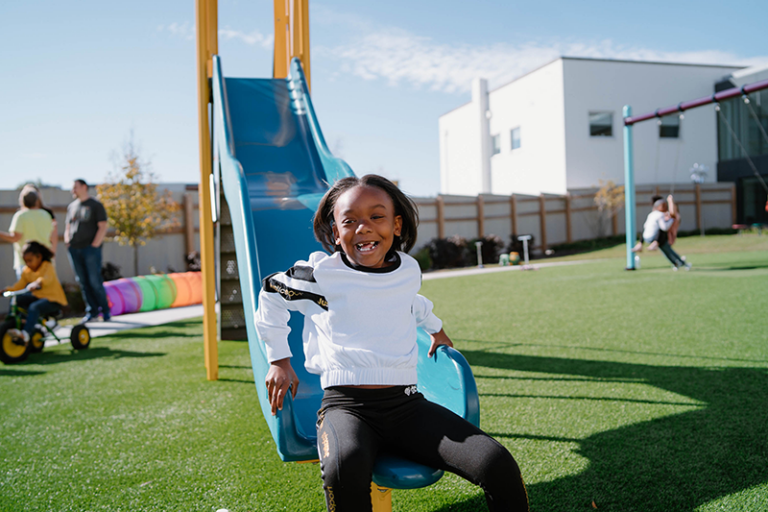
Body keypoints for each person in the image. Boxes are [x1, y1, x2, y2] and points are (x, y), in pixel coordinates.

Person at [256, 175, 529, 512]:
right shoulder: (320, 276)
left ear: (396, 225)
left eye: (376, 217)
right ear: (336, 234)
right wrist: (279, 359)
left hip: (407, 407)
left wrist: (435, 328)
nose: (363, 228)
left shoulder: (406, 270)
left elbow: (412, 303)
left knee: (495, 462)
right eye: (350, 221)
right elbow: (270, 293)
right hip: (346, 408)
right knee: (345, 469)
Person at [2, 241, 68, 344]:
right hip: (38, 297)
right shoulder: (27, 271)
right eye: (25, 261)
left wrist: (37, 283)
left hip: (53, 300)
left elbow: (47, 278)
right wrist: (7, 290)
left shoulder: (47, 266)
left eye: (30, 260)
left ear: (39, 257)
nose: (28, 264)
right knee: (17, 299)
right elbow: (18, 286)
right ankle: (17, 322)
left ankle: (26, 333)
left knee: (34, 307)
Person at [65, 179, 110, 322]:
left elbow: (103, 226)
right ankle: (92, 311)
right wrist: (68, 241)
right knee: (82, 282)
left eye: (75, 187)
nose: (73, 191)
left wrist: (94, 245)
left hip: (90, 249)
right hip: (74, 249)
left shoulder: (95, 205)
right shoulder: (72, 206)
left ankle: (105, 311)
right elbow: (68, 226)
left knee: (94, 281)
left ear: (84, 187)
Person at [0, 189, 54, 280]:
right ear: (37, 201)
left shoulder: (21, 216)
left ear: (22, 201)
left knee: (26, 292)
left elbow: (15, 238)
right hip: (44, 261)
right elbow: (50, 236)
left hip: (26, 262)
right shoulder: (46, 215)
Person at [640, 196, 690, 270]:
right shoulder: (660, 215)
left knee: (665, 250)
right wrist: (670, 219)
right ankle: (682, 263)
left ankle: (676, 263)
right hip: (655, 237)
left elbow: (645, 226)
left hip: (646, 237)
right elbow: (664, 227)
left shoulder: (651, 214)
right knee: (667, 249)